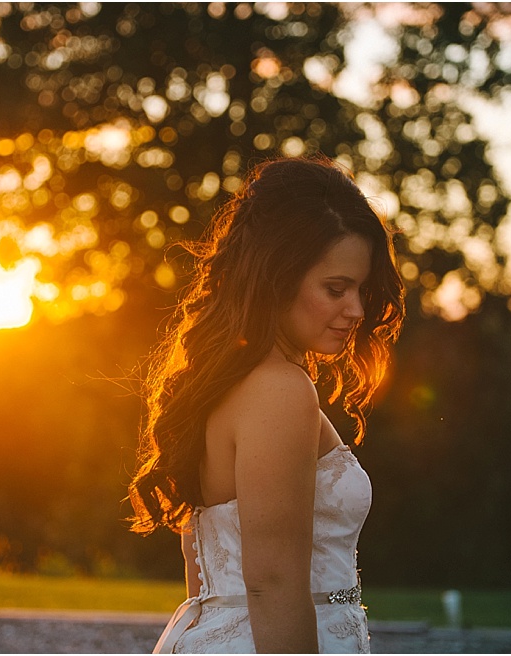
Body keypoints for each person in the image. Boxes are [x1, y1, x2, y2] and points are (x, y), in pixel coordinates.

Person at [128, 156, 405, 654]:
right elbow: (273, 581)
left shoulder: (229, 384)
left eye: (361, 289)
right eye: (336, 289)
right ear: (278, 278)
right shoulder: (280, 390)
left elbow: (203, 574)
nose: (357, 311)